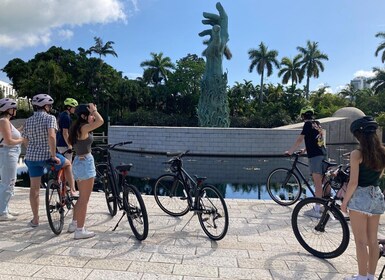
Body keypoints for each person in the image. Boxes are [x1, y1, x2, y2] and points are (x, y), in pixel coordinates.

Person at [341, 116, 385, 280]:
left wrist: (344, 203)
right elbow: (380, 175)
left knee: (360, 241)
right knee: (372, 241)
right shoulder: (383, 152)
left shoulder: (356, 154)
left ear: (359, 135)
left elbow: (353, 183)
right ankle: (370, 277)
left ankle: (360, 276)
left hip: (360, 197)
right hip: (377, 196)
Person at [23, 94, 75, 227]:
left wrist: (33, 149)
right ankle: (73, 190)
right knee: (68, 164)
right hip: (47, 156)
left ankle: (35, 220)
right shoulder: (50, 118)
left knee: (34, 188)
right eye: (49, 106)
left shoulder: (28, 121)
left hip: (31, 158)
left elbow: (25, 139)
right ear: (46, 106)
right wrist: (53, 155)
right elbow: (52, 136)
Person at [67, 103, 103, 239]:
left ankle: (74, 224)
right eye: (90, 114)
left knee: (81, 198)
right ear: (84, 116)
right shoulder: (83, 128)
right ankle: (80, 230)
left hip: (78, 162)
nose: (92, 116)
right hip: (85, 163)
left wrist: (92, 114)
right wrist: (95, 110)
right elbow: (101, 121)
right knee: (84, 199)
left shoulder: (77, 127)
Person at [285, 106, 327, 217]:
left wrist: (290, 151)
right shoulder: (317, 123)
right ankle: (323, 206)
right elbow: (318, 140)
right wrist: (304, 150)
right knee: (323, 182)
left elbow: (300, 139)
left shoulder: (307, 124)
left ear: (303, 116)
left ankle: (317, 210)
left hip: (315, 156)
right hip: (323, 153)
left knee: (317, 183)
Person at [0, 98, 24, 221]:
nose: (15, 111)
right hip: (8, 153)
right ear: (8, 109)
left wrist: (19, 131)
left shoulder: (6, 122)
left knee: (9, 181)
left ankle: (5, 208)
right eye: (14, 108)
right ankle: (2, 212)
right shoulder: (4, 121)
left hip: (10, 153)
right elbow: (9, 141)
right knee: (8, 182)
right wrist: (22, 140)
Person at [57, 97, 78, 196]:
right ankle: (72, 189)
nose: (75, 109)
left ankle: (62, 187)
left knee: (63, 166)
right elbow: (65, 133)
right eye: (74, 107)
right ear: (69, 107)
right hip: (64, 145)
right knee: (68, 167)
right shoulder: (66, 117)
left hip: (59, 143)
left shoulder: (61, 115)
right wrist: (69, 145)